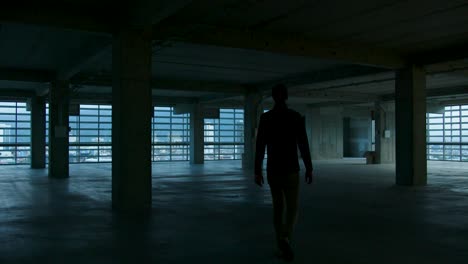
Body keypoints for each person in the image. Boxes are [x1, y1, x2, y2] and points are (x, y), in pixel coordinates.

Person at [254, 84, 313, 262]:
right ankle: (286, 237)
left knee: (278, 207)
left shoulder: (266, 118)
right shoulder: (295, 117)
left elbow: (260, 146)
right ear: (286, 97)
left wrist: (257, 170)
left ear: (273, 97)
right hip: (291, 170)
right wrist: (309, 167)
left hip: (273, 169)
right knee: (292, 207)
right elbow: (303, 144)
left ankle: (280, 244)